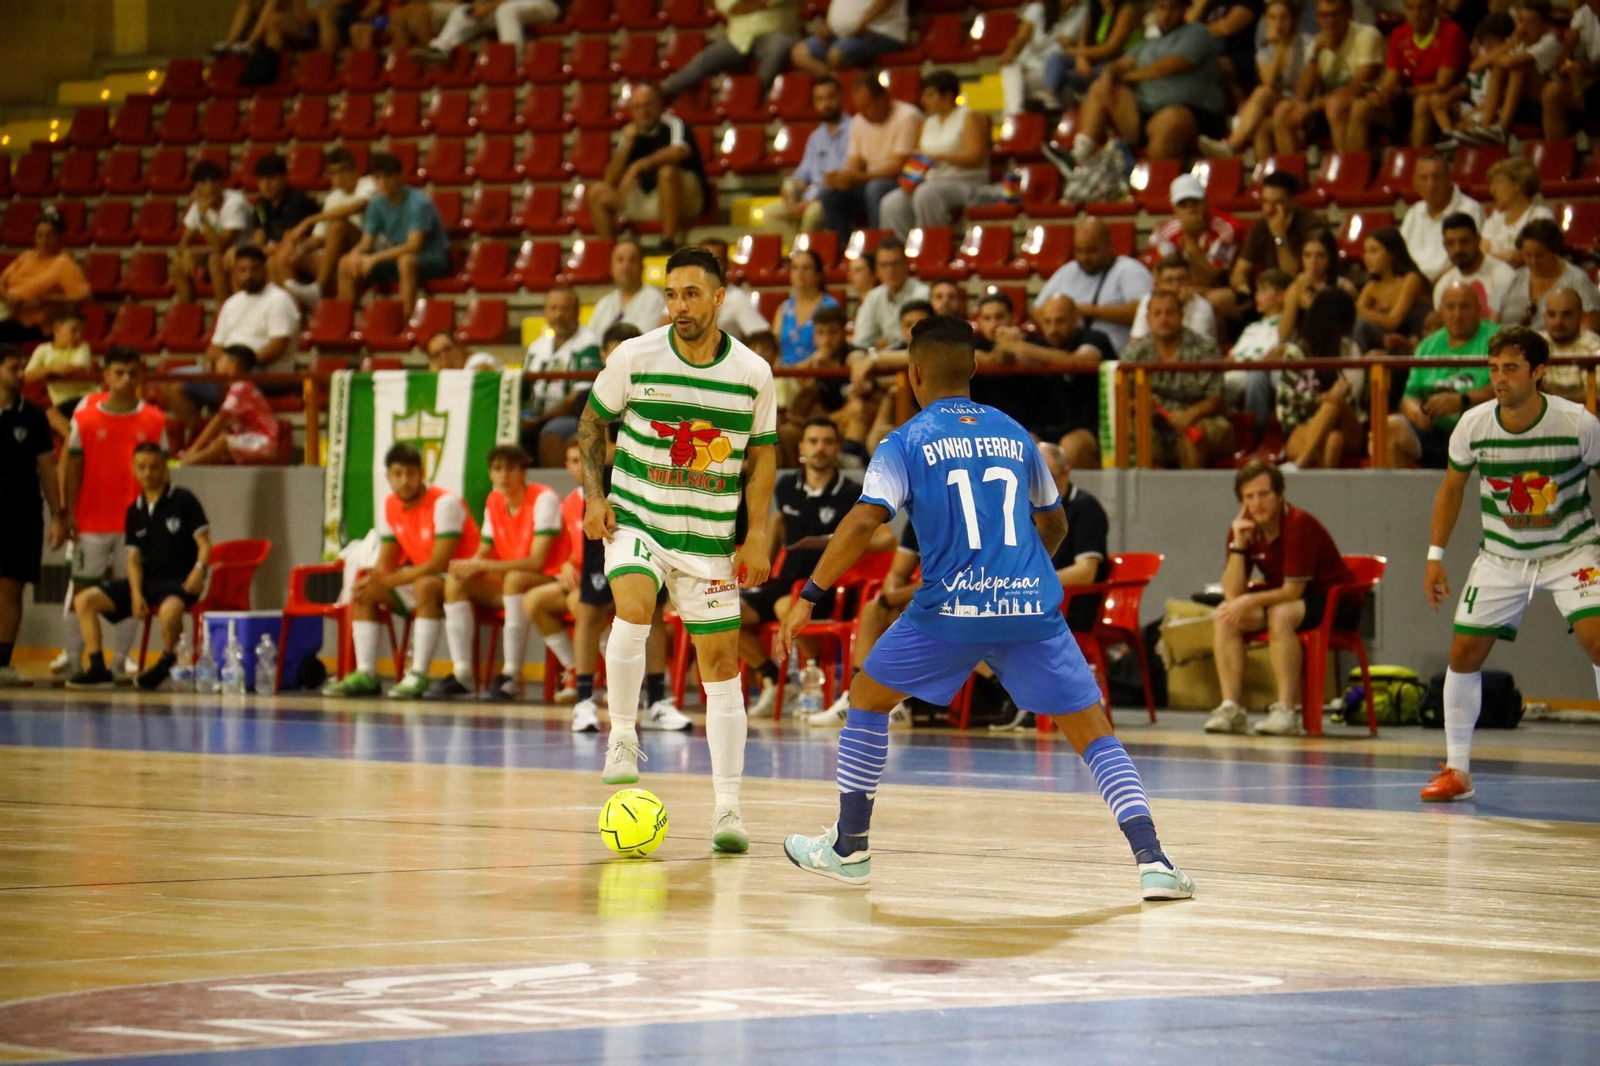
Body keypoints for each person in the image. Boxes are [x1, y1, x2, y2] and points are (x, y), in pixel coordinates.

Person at [775, 314, 1194, 901]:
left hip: (948, 609)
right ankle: (1154, 862)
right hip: (1029, 609)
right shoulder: (1016, 435)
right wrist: (1023, 576)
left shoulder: (906, 441)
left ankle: (849, 850)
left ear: (914, 374)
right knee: (1094, 733)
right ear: (974, 368)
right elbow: (1054, 521)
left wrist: (808, 597)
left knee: (867, 700)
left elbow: (864, 518)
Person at [577, 246, 778, 853]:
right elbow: (592, 424)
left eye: (691, 294)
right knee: (634, 607)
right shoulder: (634, 355)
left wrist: (759, 530)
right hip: (637, 517)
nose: (679, 305)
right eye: (670, 294)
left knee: (721, 669)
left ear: (720, 298)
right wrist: (594, 496)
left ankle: (727, 810)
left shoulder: (752, 372)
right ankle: (622, 733)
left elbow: (763, 454)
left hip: (709, 536)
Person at [1419, 327, 1600, 802]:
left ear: (1539, 373)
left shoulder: (1578, 423)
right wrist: (1435, 557)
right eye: (1493, 368)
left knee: (1598, 639)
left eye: (1511, 368)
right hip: (1502, 557)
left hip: (1572, 552)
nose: (1499, 378)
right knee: (1463, 654)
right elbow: (1451, 489)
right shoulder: (1474, 425)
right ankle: (1457, 772)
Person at [741, 417, 893, 716]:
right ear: (801, 447)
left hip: (828, 588)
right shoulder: (786, 486)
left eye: (826, 442)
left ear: (837, 447)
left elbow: (887, 539)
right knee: (724, 612)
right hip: (785, 583)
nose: (819, 448)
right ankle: (773, 679)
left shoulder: (852, 491)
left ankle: (809, 672)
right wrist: (764, 559)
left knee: (788, 605)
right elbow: (780, 521)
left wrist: (835, 542)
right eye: (813, 441)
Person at [1205, 460, 1356, 737]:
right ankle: (1231, 708)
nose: (1257, 503)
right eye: (1249, 497)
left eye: (1264, 494)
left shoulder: (1299, 525)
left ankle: (1286, 711)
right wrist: (1239, 545)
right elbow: (1233, 593)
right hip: (1288, 600)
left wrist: (1249, 602)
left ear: (1280, 494)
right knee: (1226, 616)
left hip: (1335, 601)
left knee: (1281, 614)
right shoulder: (1244, 528)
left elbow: (1292, 592)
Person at [323, 443, 483, 699]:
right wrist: (374, 580)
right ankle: (366, 674)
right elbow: (387, 560)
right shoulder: (389, 504)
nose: (404, 481)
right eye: (397, 474)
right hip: (426, 577)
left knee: (426, 584)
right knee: (366, 592)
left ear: (422, 474)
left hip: (465, 581)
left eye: (410, 474)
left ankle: (418, 673)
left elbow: (440, 563)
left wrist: (394, 578)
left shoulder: (445, 503)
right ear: (388, 477)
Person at [55, 347, 167, 680]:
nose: (125, 380)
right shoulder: (85, 418)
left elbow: (163, 473)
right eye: (118, 373)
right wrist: (67, 512)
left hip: (136, 526)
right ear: (105, 376)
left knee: (133, 592)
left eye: (132, 373)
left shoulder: (154, 419)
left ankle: (120, 661)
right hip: (90, 522)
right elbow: (72, 467)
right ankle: (75, 659)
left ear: (141, 376)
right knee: (80, 592)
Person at [67, 444, 211, 691]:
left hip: (179, 581)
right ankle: (99, 669)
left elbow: (205, 544)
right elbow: (133, 559)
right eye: (141, 467)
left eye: (154, 467)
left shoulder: (184, 499)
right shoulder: (134, 510)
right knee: (84, 600)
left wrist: (199, 570)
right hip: (147, 582)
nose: (148, 473)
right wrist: (135, 594)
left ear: (164, 467)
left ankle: (167, 662)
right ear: (134, 470)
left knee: (170, 612)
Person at [427, 444, 560, 698]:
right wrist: (470, 565)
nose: (503, 476)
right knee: (456, 580)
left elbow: (536, 561)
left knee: (514, 578)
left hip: (547, 579)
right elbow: (483, 552)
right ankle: (463, 674)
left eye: (510, 469)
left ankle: (511, 675)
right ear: (490, 474)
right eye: (497, 469)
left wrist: (482, 565)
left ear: (523, 472)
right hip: (512, 583)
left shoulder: (544, 499)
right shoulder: (494, 500)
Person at [1066, 0, 1228, 163]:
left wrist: (1127, 77)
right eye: (1162, 8)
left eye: (1173, 8)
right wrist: (1110, 73)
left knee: (1169, 121)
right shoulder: (1149, 42)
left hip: (1190, 112)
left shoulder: (1197, 33)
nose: (1167, 15)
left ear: (1184, 9)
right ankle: (1078, 155)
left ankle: (1155, 181)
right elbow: (1124, 62)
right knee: (1100, 88)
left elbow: (1169, 66)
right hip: (1144, 112)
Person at [168, 246, 300, 430]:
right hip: (230, 369)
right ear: (235, 273)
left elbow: (278, 346)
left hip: (269, 373)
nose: (248, 275)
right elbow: (215, 346)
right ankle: (198, 437)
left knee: (227, 380)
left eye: (254, 269)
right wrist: (212, 363)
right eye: (242, 270)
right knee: (172, 381)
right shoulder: (232, 303)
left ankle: (225, 442)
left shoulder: (279, 300)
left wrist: (238, 365)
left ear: (265, 270)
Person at [804, 521, 922, 727]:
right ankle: (854, 697)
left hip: (965, 597)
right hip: (920, 598)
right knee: (873, 610)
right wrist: (890, 596)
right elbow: (897, 574)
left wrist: (895, 597)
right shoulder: (916, 521)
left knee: (909, 611)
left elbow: (952, 578)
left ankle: (899, 702)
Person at [0, 345, 67, 685]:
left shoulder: (34, 416)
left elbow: (46, 467)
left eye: (24, 367)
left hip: (22, 515)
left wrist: (58, 514)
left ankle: (2, 662)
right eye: (14, 368)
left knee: (11, 589)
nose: (22, 374)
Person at [1121, 290, 1235, 468]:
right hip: (1153, 422)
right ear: (1148, 319)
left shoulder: (1204, 348)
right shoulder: (1135, 352)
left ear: (1181, 316)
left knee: (1193, 435)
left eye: (1170, 313)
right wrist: (1140, 404)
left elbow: (1215, 399)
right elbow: (1122, 397)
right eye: (1157, 314)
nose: (1163, 319)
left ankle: (1192, 494)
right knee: (1126, 432)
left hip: (1200, 418)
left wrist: (1189, 415)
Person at [590, 83, 709, 250]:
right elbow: (610, 179)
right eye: (637, 107)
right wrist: (627, 145)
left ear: (659, 105)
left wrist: (640, 165)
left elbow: (679, 151)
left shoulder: (674, 124)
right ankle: (612, 253)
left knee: (667, 172)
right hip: (650, 199)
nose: (643, 112)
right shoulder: (630, 134)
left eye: (647, 105)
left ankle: (667, 240)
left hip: (685, 199)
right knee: (597, 192)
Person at [1388, 283, 1495, 467]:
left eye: (1464, 307)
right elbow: (1410, 396)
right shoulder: (1427, 346)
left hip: (1484, 434)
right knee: (1389, 427)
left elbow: (1512, 390)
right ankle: (1397, 496)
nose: (1457, 315)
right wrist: (1416, 412)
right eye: (1450, 307)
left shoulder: (1498, 339)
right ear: (1440, 311)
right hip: (1436, 432)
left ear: (1479, 310)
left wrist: (1462, 399)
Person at [878, 71, 992, 241]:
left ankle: (934, 247)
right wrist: (909, 181)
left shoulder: (968, 116)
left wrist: (940, 157)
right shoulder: (927, 122)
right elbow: (918, 157)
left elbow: (976, 157)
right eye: (923, 95)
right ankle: (901, 252)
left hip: (966, 181)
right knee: (892, 202)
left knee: (927, 194)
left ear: (947, 96)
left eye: (930, 95)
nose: (923, 100)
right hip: (932, 181)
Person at [337, 151, 450, 314]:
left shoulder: (419, 203)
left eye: (387, 177)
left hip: (432, 257)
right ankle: (345, 322)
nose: (382, 183)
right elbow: (366, 243)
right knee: (345, 263)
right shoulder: (376, 204)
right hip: (396, 256)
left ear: (398, 177)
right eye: (377, 178)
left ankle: (405, 322)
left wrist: (374, 258)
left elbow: (413, 246)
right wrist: (355, 254)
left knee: (406, 262)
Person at [1267, 0, 1384, 154]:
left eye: (1335, 15)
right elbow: (1302, 94)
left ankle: (1345, 168)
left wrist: (1312, 106)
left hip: (1371, 105)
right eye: (1324, 15)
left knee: (1336, 105)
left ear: (1348, 13)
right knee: (1283, 112)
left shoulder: (1366, 35)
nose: (1330, 21)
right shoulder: (1317, 43)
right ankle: (1292, 174)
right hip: (1328, 108)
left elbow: (1357, 87)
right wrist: (1315, 54)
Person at [1350, 0, 1468, 149]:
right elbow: (1390, 79)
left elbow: (1442, 84)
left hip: (1441, 100)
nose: (1416, 14)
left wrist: (1405, 92)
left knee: (1422, 102)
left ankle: (1416, 161)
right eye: (1410, 8)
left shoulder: (1451, 32)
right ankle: (1353, 168)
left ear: (1434, 8)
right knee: (1360, 106)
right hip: (1406, 99)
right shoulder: (1399, 34)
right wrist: (1382, 93)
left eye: (1421, 8)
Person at [1197, 0, 1308, 158]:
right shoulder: (1265, 51)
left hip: (1299, 99)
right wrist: (1277, 49)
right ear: (1266, 21)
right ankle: (1265, 177)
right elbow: (1270, 82)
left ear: (1292, 19)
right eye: (1273, 18)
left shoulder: (1306, 44)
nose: (1279, 24)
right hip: (1277, 100)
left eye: (1284, 18)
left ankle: (1231, 146)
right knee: (1260, 125)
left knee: (1264, 96)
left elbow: (1304, 87)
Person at [819, 72, 923, 241]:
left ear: (883, 99)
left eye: (867, 107)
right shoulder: (859, 121)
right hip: (869, 180)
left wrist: (861, 177)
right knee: (828, 193)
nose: (863, 113)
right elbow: (854, 163)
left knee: (875, 188)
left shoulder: (907, 116)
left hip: (902, 180)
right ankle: (843, 249)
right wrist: (843, 178)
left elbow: (900, 167)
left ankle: (878, 245)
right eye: (859, 108)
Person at [1278, 287, 1366, 468]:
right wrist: (1321, 399)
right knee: (1334, 440)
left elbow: (1351, 396)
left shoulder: (1350, 349)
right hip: (1304, 428)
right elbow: (1288, 399)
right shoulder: (1297, 352)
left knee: (1334, 403)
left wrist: (1327, 399)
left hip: (1348, 426)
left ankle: (1299, 465)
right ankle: (1327, 495)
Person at [1035, 217, 1152, 353]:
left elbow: (1146, 311)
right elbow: (1037, 309)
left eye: (1091, 251)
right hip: (1068, 352)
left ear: (1108, 245)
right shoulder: (1068, 271)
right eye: (1079, 251)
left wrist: (1094, 311)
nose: (1084, 257)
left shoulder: (1130, 270)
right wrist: (1062, 325)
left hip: (1116, 359)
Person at [1143, 174, 1247, 322]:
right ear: (1174, 209)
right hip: (1179, 292)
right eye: (1183, 205)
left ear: (1206, 202)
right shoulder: (1164, 232)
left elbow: (1215, 279)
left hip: (1219, 291)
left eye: (1195, 203)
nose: (1190, 210)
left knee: (1218, 299)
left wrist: (1189, 240)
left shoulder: (1227, 228)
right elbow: (1162, 277)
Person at [1456, 0, 1560, 146]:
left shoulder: (1549, 41)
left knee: (1517, 67)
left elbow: (1510, 63)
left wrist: (1510, 44)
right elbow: (1475, 67)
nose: (1524, 27)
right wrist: (1511, 43)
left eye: (1531, 22)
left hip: (1543, 102)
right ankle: (1487, 125)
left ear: (1544, 25)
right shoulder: (1520, 41)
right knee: (1500, 66)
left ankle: (1502, 128)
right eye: (1521, 21)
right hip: (1520, 100)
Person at [280, 148, 376, 299]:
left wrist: (309, 220)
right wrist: (298, 247)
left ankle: (318, 287)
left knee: (338, 225)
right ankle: (291, 310)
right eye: (333, 173)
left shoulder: (369, 183)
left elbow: (356, 206)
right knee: (282, 257)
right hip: (336, 254)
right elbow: (318, 238)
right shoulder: (332, 198)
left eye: (342, 172)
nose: (338, 178)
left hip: (366, 246)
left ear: (355, 170)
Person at [522, 286, 601, 465]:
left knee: (552, 432)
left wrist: (540, 420)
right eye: (553, 308)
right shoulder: (537, 346)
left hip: (574, 416)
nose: (558, 315)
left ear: (577, 312)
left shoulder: (589, 344)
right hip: (535, 413)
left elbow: (579, 397)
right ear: (545, 312)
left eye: (565, 308)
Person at [661, 0, 799, 98]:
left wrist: (748, 4)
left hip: (777, 34)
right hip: (737, 39)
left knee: (777, 50)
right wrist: (761, 4)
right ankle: (659, 93)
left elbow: (743, 5)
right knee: (705, 59)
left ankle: (751, 100)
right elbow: (733, 7)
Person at [175, 346, 281, 466]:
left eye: (221, 361)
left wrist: (193, 449)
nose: (217, 364)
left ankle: (184, 465)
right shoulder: (237, 387)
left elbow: (218, 420)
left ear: (232, 366)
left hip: (263, 441)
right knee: (223, 436)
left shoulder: (241, 389)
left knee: (223, 441)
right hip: (248, 437)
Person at [0, 211, 90, 345]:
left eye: (50, 235)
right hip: (8, 312)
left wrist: (50, 298)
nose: (43, 240)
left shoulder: (64, 264)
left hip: (33, 326)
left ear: (61, 237)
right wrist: (7, 297)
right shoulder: (27, 256)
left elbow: (86, 297)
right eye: (39, 235)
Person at [170, 160, 253, 307]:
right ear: (196, 187)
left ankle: (223, 314)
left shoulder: (234, 204)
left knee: (215, 261)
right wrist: (186, 253)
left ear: (222, 184)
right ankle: (186, 316)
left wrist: (203, 218)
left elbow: (220, 246)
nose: (209, 187)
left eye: (214, 182)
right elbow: (183, 243)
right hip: (221, 253)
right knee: (177, 264)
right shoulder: (198, 206)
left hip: (245, 251)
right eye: (203, 183)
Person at [1499, 219, 1600, 334]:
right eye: (1528, 255)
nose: (1533, 261)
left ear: (1554, 250)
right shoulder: (1513, 279)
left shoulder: (1577, 279)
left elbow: (1590, 326)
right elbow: (1493, 321)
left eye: (1539, 255)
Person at [1230, 172, 1322, 297]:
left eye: (1277, 203)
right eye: (1265, 202)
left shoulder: (1311, 225)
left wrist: (1280, 237)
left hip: (1303, 293)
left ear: (1291, 201)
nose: (1269, 209)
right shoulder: (1261, 225)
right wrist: (1244, 291)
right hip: (1269, 296)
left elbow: (1291, 278)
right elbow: (1240, 269)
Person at [779, 76, 853, 233]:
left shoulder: (855, 129)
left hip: (834, 198)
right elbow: (803, 174)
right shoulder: (816, 137)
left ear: (841, 97)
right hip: (808, 197)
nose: (826, 104)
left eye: (830, 97)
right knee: (769, 214)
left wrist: (811, 200)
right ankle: (792, 254)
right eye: (820, 99)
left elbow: (842, 178)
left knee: (812, 214)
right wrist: (790, 186)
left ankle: (806, 255)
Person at [1432, 14, 1515, 149]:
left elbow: (1500, 99)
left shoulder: (1505, 60)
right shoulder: (1484, 55)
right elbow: (1470, 81)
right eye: (1484, 42)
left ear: (1504, 40)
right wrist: (1450, 95)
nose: (1486, 46)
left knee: (1464, 126)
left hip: (1490, 110)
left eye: (1490, 41)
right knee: (1436, 100)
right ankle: (1448, 135)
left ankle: (1454, 139)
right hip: (1473, 104)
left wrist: (1473, 114)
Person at [1401, 156, 1483, 284]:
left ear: (1449, 178)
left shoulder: (1470, 209)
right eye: (1424, 178)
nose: (1431, 184)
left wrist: (1433, 283)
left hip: (1453, 284)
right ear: (1415, 182)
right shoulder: (1414, 213)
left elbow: (1471, 257)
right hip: (1413, 287)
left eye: (1436, 177)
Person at [998, 0, 1089, 114]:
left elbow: (1083, 44)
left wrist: (1072, 44)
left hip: (1052, 70)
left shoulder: (1084, 11)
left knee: (1017, 85)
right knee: (1009, 69)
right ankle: (1015, 113)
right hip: (1029, 68)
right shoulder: (1037, 9)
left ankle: (1016, 114)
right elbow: (1021, 38)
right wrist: (1010, 52)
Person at [250, 153, 320, 297]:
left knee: (276, 261)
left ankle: (291, 310)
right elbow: (259, 238)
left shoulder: (296, 201)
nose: (265, 185)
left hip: (308, 251)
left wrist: (264, 251)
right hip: (278, 252)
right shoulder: (261, 205)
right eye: (261, 180)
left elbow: (290, 242)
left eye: (270, 179)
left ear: (283, 177)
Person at [1229, 269, 1292, 427]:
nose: (1257, 296)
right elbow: (1231, 356)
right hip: (1236, 370)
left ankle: (1254, 430)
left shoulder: (1286, 327)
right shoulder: (1253, 328)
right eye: (1257, 291)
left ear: (1282, 296)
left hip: (1254, 373)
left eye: (1263, 291)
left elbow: (1269, 355)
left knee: (1246, 378)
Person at [410, 0, 561, 62]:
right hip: (504, 7)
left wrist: (488, 7)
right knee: (463, 11)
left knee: (506, 11)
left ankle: (510, 59)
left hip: (546, 5)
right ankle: (441, 47)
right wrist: (478, 7)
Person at [1433, 212, 1516, 322]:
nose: (1458, 249)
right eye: (1451, 243)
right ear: (1444, 245)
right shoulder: (1444, 285)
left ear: (1478, 240)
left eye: (1464, 241)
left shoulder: (1504, 276)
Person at [23, 308, 93, 438]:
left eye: (81, 331)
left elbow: (74, 368)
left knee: (50, 415)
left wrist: (45, 370)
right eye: (74, 330)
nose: (78, 336)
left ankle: (77, 445)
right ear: (57, 329)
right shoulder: (43, 350)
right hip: (62, 403)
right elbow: (26, 376)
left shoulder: (83, 347)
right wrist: (50, 369)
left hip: (85, 399)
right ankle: (77, 443)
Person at [1278, 227, 1357, 342]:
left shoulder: (1344, 287)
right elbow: (1283, 336)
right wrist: (1294, 298)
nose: (1313, 261)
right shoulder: (1296, 288)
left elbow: (1344, 331)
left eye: (1320, 255)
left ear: (1330, 257)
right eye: (1307, 255)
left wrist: (1313, 307)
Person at [851, 237, 929, 352]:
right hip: (883, 359)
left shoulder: (922, 293)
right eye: (883, 265)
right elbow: (860, 342)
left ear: (906, 264)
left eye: (895, 264)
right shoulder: (873, 296)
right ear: (876, 270)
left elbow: (915, 340)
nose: (890, 270)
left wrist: (883, 345)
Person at [790, 0, 909, 75]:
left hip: (879, 32)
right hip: (844, 35)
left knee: (836, 54)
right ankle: (833, 84)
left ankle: (837, 93)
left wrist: (862, 23)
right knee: (800, 53)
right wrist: (830, 25)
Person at [1356, 227, 1430, 341]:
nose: (1366, 258)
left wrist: (1359, 311)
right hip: (1388, 341)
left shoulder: (1411, 279)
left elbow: (1393, 322)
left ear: (1391, 254)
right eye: (1366, 252)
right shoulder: (1371, 286)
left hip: (1413, 339)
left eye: (1373, 251)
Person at [1540, 0, 1600, 141]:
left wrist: (1587, 67)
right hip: (1593, 82)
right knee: (1552, 93)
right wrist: (1569, 46)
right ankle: (1557, 157)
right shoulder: (1585, 13)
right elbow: (1560, 67)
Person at [1479, 158, 1555, 268]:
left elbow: (1531, 255)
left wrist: (1493, 257)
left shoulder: (1540, 216)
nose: (1492, 190)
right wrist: (1504, 256)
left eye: (1498, 183)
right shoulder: (1493, 221)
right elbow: (1481, 257)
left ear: (1518, 184)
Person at [589, 239, 668, 337]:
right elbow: (592, 340)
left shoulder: (653, 298)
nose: (626, 266)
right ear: (611, 268)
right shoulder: (604, 303)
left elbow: (644, 339)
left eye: (632, 260)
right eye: (620, 260)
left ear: (642, 267)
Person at [1130, 255, 1219, 342]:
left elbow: (1196, 348)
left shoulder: (1202, 307)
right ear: (1158, 283)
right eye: (1169, 280)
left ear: (1191, 280)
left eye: (1181, 279)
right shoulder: (1148, 301)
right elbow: (1136, 341)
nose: (1175, 286)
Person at [777, 248, 840, 366]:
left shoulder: (829, 307)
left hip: (815, 372)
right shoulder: (784, 308)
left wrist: (799, 369)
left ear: (818, 274)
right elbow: (775, 348)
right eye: (795, 268)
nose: (799, 273)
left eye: (806, 268)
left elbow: (829, 349)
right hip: (784, 373)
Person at [700, 238, 771, 341]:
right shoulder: (685, 296)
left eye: (717, 261)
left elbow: (763, 339)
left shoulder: (737, 298)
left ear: (727, 264)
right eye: (704, 261)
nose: (710, 266)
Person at [1539, 288, 1600, 404]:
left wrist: (1549, 401)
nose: (1558, 322)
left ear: (1581, 316)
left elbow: (1596, 399)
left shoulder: (1595, 346)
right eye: (1551, 314)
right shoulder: (1534, 344)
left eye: (1566, 314)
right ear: (1544, 317)